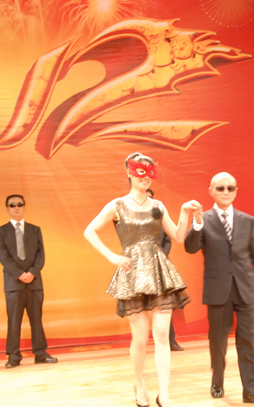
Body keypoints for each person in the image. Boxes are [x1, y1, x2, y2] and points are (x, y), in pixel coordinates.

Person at [84, 152, 202, 407]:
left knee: (161, 334)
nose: (146, 176)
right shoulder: (117, 205)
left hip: (159, 272)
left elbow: (178, 236)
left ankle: (164, 394)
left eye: (150, 171)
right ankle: (139, 384)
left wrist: (185, 212)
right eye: (140, 170)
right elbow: (89, 230)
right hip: (133, 275)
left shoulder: (158, 207)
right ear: (129, 172)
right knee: (139, 339)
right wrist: (111, 256)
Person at [184, 172, 254, 405]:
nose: (226, 192)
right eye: (221, 188)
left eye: (230, 188)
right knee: (218, 341)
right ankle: (217, 381)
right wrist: (196, 223)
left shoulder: (247, 220)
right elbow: (190, 247)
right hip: (217, 290)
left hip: (245, 289)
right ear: (211, 191)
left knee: (249, 342)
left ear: (236, 191)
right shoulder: (203, 219)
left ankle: (251, 391)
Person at [0, 195, 57, 368]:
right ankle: (13, 356)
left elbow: (40, 255)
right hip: (13, 284)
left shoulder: (34, 230)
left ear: (24, 207)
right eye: (12, 205)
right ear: (7, 208)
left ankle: (41, 354)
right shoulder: (0, 231)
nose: (16, 207)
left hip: (34, 283)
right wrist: (20, 274)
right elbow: (3, 257)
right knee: (14, 320)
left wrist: (32, 273)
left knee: (36, 320)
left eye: (19, 204)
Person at [146, 188, 185, 352]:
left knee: (164, 305)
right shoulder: (133, 220)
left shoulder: (161, 219)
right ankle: (141, 343)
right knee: (139, 308)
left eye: (149, 198)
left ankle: (170, 341)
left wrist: (160, 257)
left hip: (161, 268)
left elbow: (168, 240)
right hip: (141, 269)